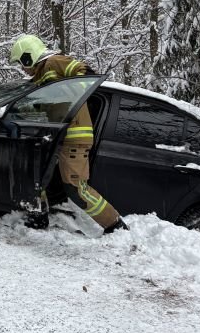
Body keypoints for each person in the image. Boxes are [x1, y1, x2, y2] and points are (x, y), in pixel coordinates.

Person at [9, 34, 128, 235]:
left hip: (74, 135)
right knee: (37, 176)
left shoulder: (54, 62)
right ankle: (39, 216)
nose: (21, 68)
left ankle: (115, 226)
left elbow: (86, 74)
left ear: (29, 56)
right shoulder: (39, 76)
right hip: (55, 136)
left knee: (76, 188)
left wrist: (69, 95)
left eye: (22, 62)